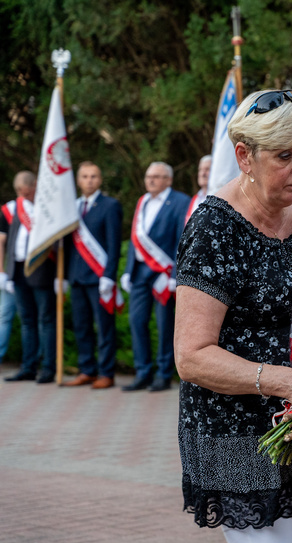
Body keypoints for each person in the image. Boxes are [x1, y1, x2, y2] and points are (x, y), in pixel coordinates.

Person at [174, 89, 292, 543]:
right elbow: (191, 356)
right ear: (244, 155)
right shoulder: (215, 225)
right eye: (284, 155)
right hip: (235, 435)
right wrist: (289, 380)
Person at [120, 162, 190, 392]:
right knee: (137, 322)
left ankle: (163, 373)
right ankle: (142, 372)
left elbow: (182, 239)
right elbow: (135, 238)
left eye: (157, 177)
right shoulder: (142, 201)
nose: (151, 180)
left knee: (164, 325)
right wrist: (128, 270)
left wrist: (173, 274)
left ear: (168, 180)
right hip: (140, 273)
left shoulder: (180, 202)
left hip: (163, 275)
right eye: (149, 176)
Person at [61, 162, 123, 389]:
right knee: (81, 326)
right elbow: (67, 247)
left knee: (104, 327)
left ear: (100, 179)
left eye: (93, 176)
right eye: (85, 176)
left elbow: (114, 244)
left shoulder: (109, 205)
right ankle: (86, 370)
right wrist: (64, 277)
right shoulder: (72, 207)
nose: (89, 180)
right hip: (77, 277)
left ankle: (106, 373)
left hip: (99, 279)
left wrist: (109, 275)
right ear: (78, 180)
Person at [1, 171, 58, 383]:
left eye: (25, 190)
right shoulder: (12, 208)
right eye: (18, 191)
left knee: (46, 319)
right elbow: (3, 240)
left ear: (35, 186)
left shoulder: (48, 208)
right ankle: (28, 367)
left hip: (42, 270)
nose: (22, 195)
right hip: (17, 270)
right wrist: (3, 273)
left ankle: (48, 367)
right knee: (26, 321)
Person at [0, 195, 20, 363]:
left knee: (34, 319)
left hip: (33, 274)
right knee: (5, 315)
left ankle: (33, 361)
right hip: (10, 273)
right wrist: (2, 272)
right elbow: (1, 242)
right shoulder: (9, 210)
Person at [185, 155, 212, 223]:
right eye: (200, 170)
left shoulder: (221, 197)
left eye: (207, 169)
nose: (203, 174)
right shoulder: (195, 199)